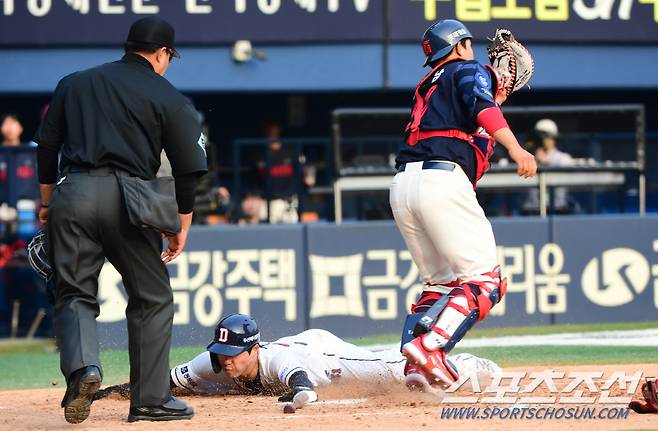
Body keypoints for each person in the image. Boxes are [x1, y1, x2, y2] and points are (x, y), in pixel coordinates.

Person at [34, 17, 207, 424]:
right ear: (162, 53)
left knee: (73, 292)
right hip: (131, 201)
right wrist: (182, 224)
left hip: (72, 191)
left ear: (129, 46)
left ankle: (84, 369)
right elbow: (189, 168)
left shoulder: (73, 83)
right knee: (151, 298)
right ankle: (149, 400)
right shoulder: (167, 96)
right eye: (169, 57)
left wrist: (46, 202)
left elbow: (46, 145)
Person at [389, 20, 537, 391]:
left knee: (439, 284)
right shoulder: (468, 69)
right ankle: (431, 347)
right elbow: (482, 106)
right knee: (486, 282)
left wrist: (494, 99)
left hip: (404, 185)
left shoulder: (429, 85)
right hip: (440, 180)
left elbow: (474, 144)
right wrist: (515, 146)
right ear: (462, 45)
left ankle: (414, 360)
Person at [94, 314, 502, 408]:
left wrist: (299, 397)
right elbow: (162, 381)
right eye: (221, 354)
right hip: (299, 354)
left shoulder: (274, 360)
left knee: (394, 370)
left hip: (316, 354)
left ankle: (463, 364)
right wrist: (108, 394)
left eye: (233, 354)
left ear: (252, 348)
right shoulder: (212, 363)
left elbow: (301, 381)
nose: (226, 362)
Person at [522, 119, 575, 214]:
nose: (542, 141)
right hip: (531, 210)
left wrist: (546, 162)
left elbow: (567, 178)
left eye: (546, 137)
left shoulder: (562, 158)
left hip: (558, 210)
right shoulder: (528, 157)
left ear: (554, 139)